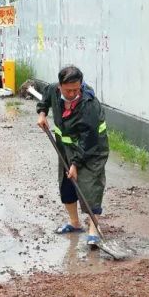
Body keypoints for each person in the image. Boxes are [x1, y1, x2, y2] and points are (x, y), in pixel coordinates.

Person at [36, 66, 110, 249]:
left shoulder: (89, 103)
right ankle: (75, 223)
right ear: (60, 86)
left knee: (90, 185)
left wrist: (75, 164)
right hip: (66, 147)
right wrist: (42, 113)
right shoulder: (54, 90)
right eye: (68, 90)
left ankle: (94, 230)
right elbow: (45, 98)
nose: (72, 93)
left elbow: (88, 138)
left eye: (76, 89)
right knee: (67, 184)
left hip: (92, 148)